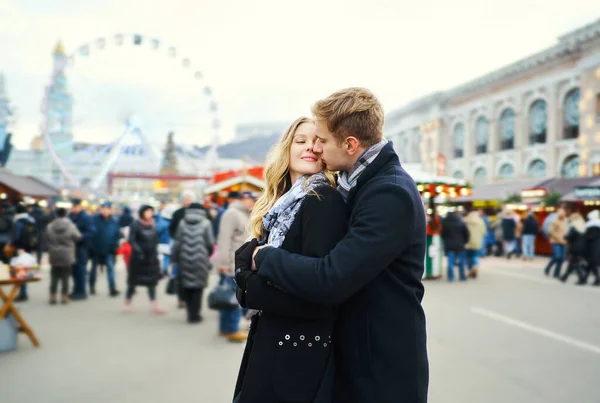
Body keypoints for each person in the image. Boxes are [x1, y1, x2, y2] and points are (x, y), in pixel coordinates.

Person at [242, 88, 428, 402]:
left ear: (350, 144)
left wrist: (264, 258)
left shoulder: (389, 194)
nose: (317, 149)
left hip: (380, 368)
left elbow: (331, 278)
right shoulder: (356, 184)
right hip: (355, 357)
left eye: (323, 141)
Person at [232, 117, 347, 402]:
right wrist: (247, 283)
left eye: (317, 141)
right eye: (301, 140)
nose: (310, 147)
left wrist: (247, 282)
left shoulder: (323, 201)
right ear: (287, 148)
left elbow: (317, 295)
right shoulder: (279, 206)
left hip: (297, 353)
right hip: (273, 340)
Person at [214, 191, 256, 342]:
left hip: (238, 262)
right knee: (232, 298)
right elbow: (224, 240)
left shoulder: (244, 214)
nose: (253, 202)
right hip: (231, 262)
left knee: (228, 297)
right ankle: (232, 329)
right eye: (251, 199)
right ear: (244, 199)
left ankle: (225, 328)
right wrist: (223, 263)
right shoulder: (232, 213)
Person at [171, 202, 214, 323]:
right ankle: (195, 314)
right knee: (198, 287)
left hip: (184, 258)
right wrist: (207, 253)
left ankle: (190, 312)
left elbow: (177, 242)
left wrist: (174, 258)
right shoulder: (206, 223)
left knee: (187, 285)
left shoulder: (182, 223)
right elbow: (210, 243)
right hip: (201, 258)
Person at [124, 205, 165, 314]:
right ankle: (127, 302)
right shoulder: (135, 225)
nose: (149, 214)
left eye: (151, 212)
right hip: (138, 259)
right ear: (142, 213)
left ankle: (154, 305)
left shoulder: (153, 225)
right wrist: (138, 251)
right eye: (147, 212)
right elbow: (131, 240)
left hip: (151, 259)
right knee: (133, 282)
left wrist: (156, 256)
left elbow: (155, 241)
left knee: (152, 282)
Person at [46, 208, 82, 304]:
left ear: (56, 214)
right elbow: (78, 237)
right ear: (66, 214)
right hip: (67, 254)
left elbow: (47, 238)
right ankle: (64, 296)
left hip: (54, 253)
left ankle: (52, 296)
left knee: (54, 275)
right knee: (65, 276)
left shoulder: (50, 226)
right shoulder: (71, 226)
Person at [90, 202, 121, 297]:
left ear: (110, 210)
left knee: (110, 268)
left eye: (107, 209)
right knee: (94, 269)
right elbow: (91, 233)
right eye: (103, 208)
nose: (105, 211)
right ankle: (92, 287)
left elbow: (117, 235)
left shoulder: (114, 221)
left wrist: (115, 246)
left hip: (109, 249)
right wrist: (91, 247)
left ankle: (112, 288)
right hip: (96, 248)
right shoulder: (94, 219)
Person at [69, 199, 96, 300]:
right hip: (72, 247)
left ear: (80, 206)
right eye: (73, 206)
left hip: (81, 247)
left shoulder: (86, 218)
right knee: (74, 270)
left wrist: (80, 237)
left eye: (76, 206)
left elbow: (92, 232)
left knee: (81, 269)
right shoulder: (71, 216)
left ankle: (81, 292)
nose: (74, 208)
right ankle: (76, 290)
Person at [11, 204, 38, 302]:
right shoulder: (31, 220)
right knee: (25, 269)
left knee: (20, 270)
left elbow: (16, 237)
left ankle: (22, 293)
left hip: (20, 249)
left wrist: (15, 246)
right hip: (29, 247)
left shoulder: (18, 222)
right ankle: (24, 291)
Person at [441, 211, 470, 281]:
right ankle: (462, 276)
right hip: (460, 245)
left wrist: (446, 241)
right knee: (461, 262)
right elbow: (467, 234)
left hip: (449, 245)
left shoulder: (445, 223)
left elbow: (443, 234)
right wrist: (465, 241)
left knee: (450, 262)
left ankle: (451, 277)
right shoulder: (461, 223)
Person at [560, 213, 587, 283]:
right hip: (582, 247)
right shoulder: (583, 227)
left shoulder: (574, 227)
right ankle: (564, 277)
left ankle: (581, 278)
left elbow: (570, 237)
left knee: (574, 263)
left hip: (575, 247)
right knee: (572, 262)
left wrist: (565, 236)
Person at [544, 207, 568, 278]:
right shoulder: (554, 221)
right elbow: (550, 231)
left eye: (563, 213)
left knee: (562, 258)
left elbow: (566, 231)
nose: (563, 214)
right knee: (557, 256)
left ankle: (556, 272)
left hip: (563, 242)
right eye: (561, 213)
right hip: (555, 241)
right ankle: (548, 268)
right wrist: (558, 237)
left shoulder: (565, 222)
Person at [581, 210, 600, 286]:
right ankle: (584, 278)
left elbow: (588, 237)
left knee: (591, 263)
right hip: (595, 248)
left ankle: (595, 278)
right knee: (591, 263)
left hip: (591, 248)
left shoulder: (589, 225)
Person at [464, 210, 486, 279]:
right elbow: (484, 232)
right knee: (475, 256)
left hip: (467, 242)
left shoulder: (466, 221)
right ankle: (475, 266)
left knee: (468, 257)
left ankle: (470, 270)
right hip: (477, 242)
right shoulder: (480, 222)